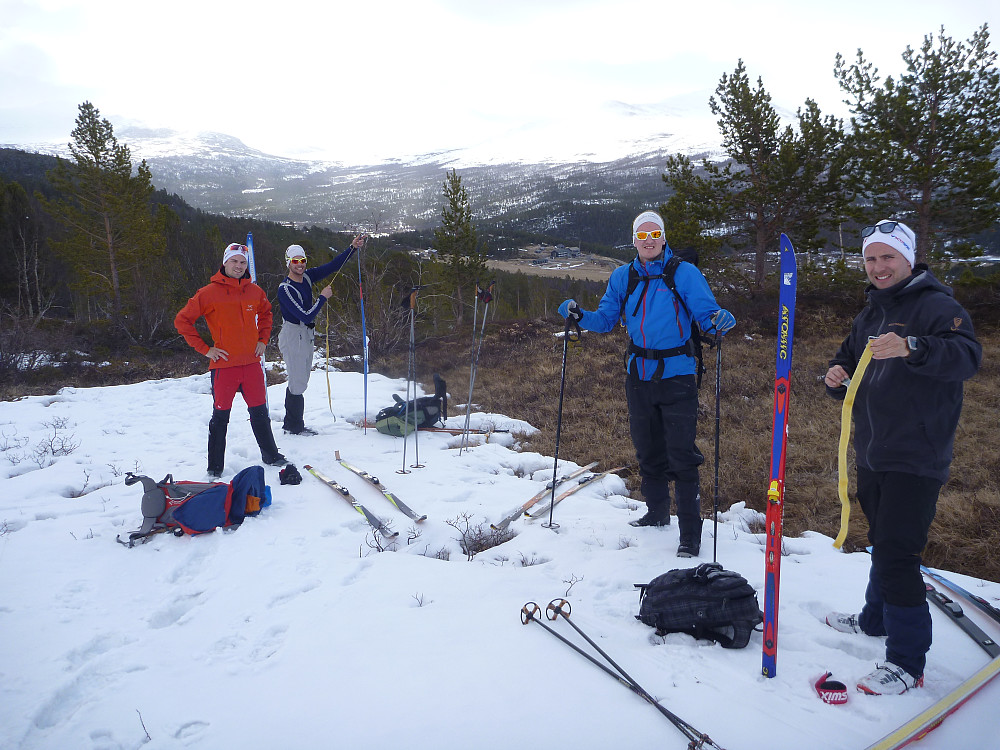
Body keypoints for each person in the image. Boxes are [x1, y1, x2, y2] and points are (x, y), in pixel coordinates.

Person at [823, 219, 981, 696]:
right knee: (883, 541)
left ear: (908, 258)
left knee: (897, 554)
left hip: (917, 454)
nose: (878, 267)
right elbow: (850, 360)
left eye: (887, 257)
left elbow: (967, 357)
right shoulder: (872, 311)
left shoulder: (937, 306)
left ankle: (908, 662)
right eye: (871, 259)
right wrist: (836, 376)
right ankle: (875, 619)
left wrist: (913, 346)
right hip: (874, 448)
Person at [558, 210, 736, 557]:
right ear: (635, 240)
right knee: (647, 447)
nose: (649, 241)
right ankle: (656, 514)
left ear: (664, 237)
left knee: (682, 454)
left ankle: (690, 533)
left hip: (678, 373)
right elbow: (607, 320)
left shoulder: (684, 273)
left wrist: (718, 320)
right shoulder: (623, 276)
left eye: (655, 234)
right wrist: (581, 315)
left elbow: (706, 314)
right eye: (643, 235)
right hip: (638, 373)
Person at [175, 242, 286, 477]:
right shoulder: (208, 293)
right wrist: (205, 349)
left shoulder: (254, 291)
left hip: (252, 364)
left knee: (260, 413)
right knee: (220, 416)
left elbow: (266, 314)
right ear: (225, 263)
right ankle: (215, 467)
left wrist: (263, 340)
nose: (238, 266)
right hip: (224, 367)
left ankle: (271, 454)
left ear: (247, 266)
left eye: (242, 262)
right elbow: (182, 321)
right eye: (234, 261)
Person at [277, 235, 365, 435]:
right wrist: (322, 298)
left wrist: (352, 248)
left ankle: (291, 423)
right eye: (295, 261)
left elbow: (333, 266)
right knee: (298, 382)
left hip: (305, 335)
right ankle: (294, 427)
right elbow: (306, 315)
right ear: (288, 263)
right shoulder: (285, 289)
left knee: (299, 380)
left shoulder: (307, 276)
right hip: (294, 335)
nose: (300, 265)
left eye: (302, 261)